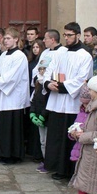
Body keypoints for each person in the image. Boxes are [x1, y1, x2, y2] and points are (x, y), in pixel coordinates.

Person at [42, 22, 94, 180]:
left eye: (69, 35)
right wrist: (48, 82)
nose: (66, 38)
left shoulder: (85, 55)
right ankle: (56, 167)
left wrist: (63, 86)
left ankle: (69, 170)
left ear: (78, 35)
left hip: (72, 102)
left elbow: (83, 79)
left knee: (68, 137)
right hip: (57, 101)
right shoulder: (60, 52)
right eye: (65, 35)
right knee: (56, 136)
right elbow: (48, 70)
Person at [0, 27, 29, 164]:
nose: (6, 40)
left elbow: (12, 77)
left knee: (11, 127)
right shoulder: (4, 55)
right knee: (1, 126)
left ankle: (13, 155)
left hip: (12, 98)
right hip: (1, 96)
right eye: (5, 38)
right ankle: (2, 153)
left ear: (16, 39)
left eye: (9, 38)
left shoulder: (20, 56)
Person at [30, 30, 66, 173]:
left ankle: (53, 161)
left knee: (52, 134)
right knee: (42, 138)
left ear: (52, 39)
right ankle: (45, 160)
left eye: (45, 39)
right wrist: (39, 78)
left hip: (54, 93)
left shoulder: (63, 52)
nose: (43, 41)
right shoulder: (45, 53)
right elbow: (37, 70)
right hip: (41, 90)